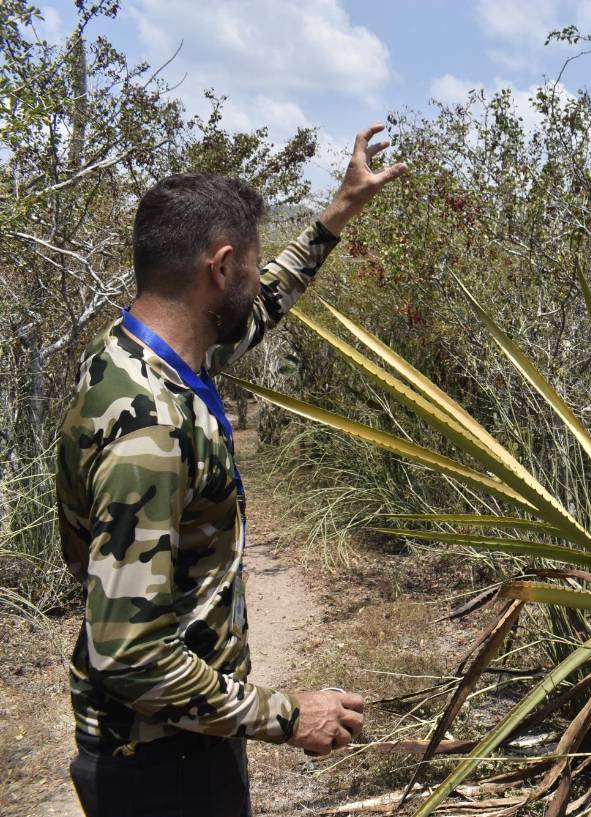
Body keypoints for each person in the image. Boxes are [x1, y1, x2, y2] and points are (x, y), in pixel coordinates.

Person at [55, 123, 407, 817]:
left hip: (181, 741)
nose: (255, 275)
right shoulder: (150, 426)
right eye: (247, 263)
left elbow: (262, 303)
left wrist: (336, 216)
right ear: (218, 269)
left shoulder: (137, 353)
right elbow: (128, 653)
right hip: (161, 768)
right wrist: (287, 714)